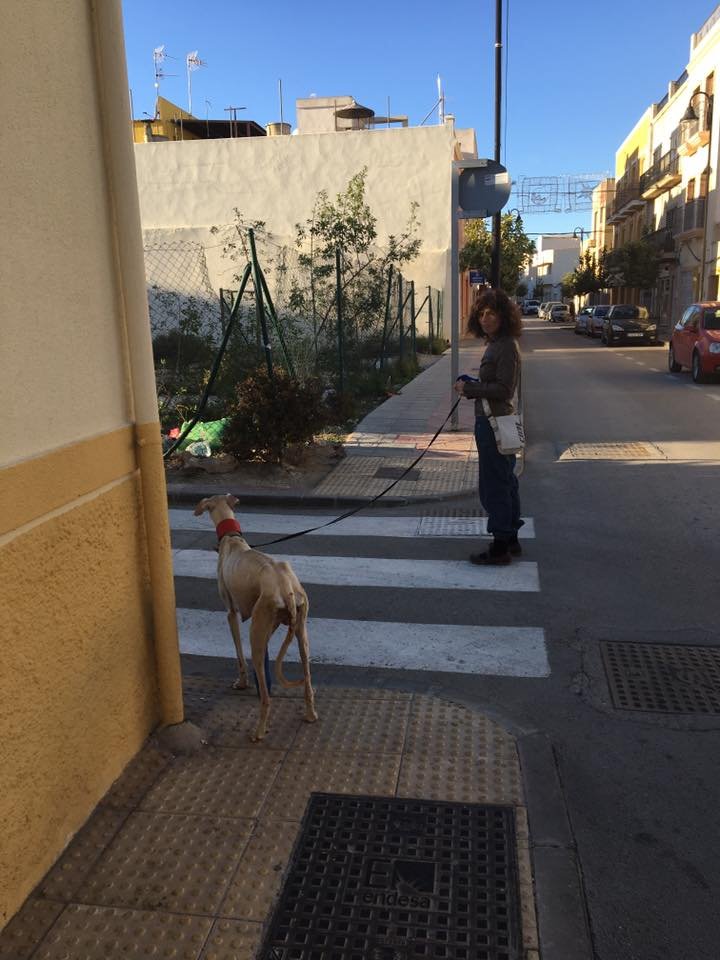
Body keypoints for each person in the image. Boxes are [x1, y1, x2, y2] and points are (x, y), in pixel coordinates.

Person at [454, 288, 523, 565]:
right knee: (507, 481)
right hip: (500, 420)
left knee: (494, 484)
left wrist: (470, 388)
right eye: (481, 314)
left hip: (494, 422)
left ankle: (499, 547)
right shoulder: (498, 343)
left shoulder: (504, 346)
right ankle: (511, 539)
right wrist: (473, 384)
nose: (485, 319)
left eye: (491, 314)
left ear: (503, 316)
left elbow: (504, 389)